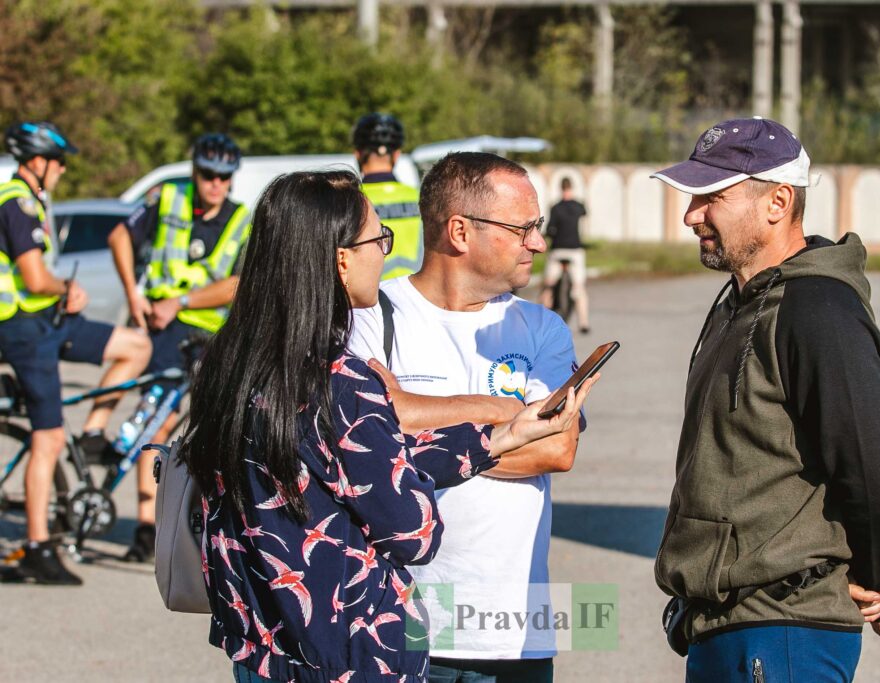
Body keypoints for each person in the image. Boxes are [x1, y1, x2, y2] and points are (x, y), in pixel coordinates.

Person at [180, 169, 594, 682]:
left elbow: (370, 451)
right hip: (345, 652)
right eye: (379, 238)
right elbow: (411, 529)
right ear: (339, 258)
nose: (386, 250)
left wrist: (490, 430)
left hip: (266, 644)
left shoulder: (230, 363)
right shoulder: (342, 378)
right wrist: (479, 415)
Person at [650, 117, 880, 681]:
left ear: (776, 202)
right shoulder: (740, 303)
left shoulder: (817, 310)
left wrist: (879, 577)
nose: (691, 214)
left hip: (783, 632)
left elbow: (872, 472)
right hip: (725, 626)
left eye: (712, 197)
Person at [347, 152, 585, 683]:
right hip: (398, 629)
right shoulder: (367, 317)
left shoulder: (542, 327)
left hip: (514, 635)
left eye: (538, 228)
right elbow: (357, 445)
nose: (539, 243)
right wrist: (509, 416)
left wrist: (407, 413)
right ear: (458, 231)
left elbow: (555, 448)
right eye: (522, 228)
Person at [0, 121, 151, 584]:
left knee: (135, 346)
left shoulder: (32, 200)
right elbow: (32, 277)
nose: (63, 170)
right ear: (37, 161)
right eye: (59, 162)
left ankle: (92, 432)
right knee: (46, 439)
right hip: (23, 331)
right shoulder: (16, 202)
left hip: (49, 322)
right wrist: (67, 287)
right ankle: (37, 547)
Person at [107, 132, 251, 562]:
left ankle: (208, 524)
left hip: (212, 335)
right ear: (195, 172)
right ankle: (145, 525)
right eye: (208, 175)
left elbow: (237, 283)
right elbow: (119, 236)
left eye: (224, 178)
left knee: (215, 430)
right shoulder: (168, 197)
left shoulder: (241, 217)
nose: (215, 185)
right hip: (165, 333)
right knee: (156, 422)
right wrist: (134, 294)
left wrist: (181, 301)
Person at [352, 112, 422, 280]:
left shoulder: (351, 200)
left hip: (369, 299)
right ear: (396, 154)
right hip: (416, 297)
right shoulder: (421, 198)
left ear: (358, 154)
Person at [539, 177, 590, 333]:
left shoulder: (555, 208)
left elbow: (550, 230)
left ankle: (541, 320)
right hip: (575, 251)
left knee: (548, 285)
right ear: (572, 188)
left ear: (561, 188)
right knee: (579, 287)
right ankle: (584, 323)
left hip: (558, 250)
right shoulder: (579, 206)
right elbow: (585, 214)